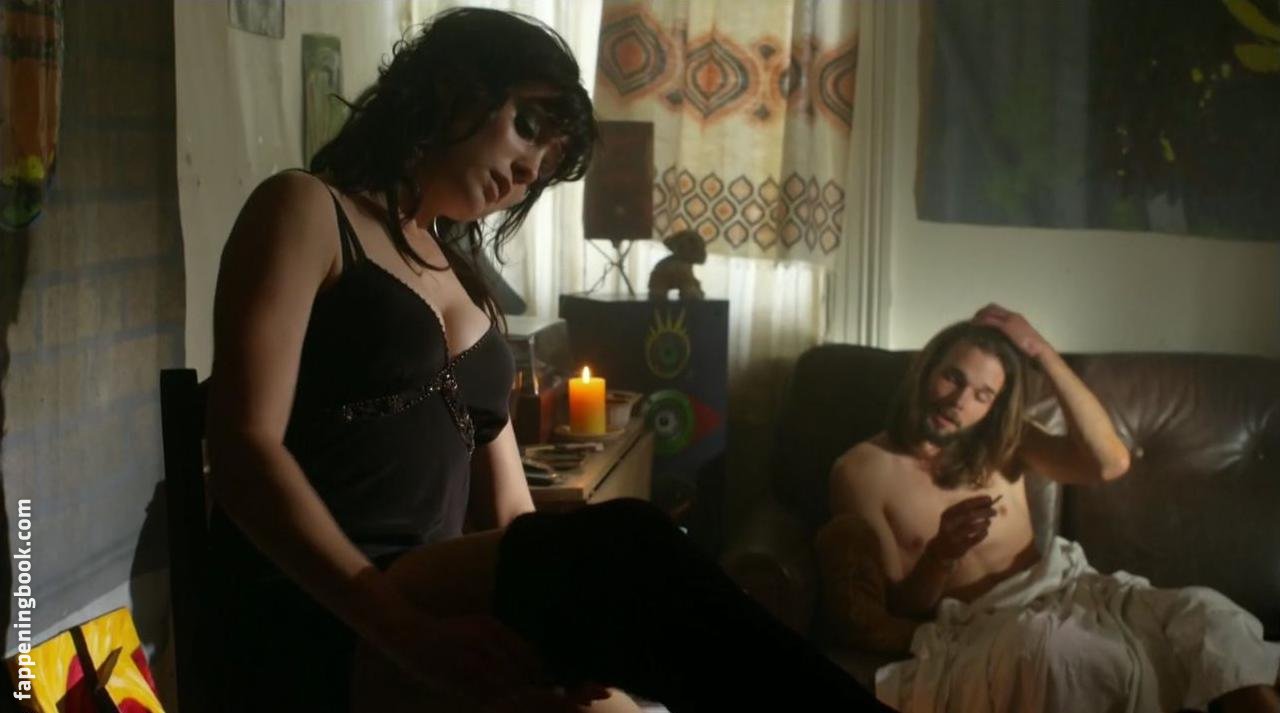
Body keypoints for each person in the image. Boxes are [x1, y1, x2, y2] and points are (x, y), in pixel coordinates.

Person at [205, 8, 888, 712]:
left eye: (545, 170)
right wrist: (404, 631)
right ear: (451, 84)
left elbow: (513, 516)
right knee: (627, 539)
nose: (529, 171)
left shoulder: (466, 281)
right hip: (332, 605)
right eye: (528, 125)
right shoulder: (308, 209)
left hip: (434, 603)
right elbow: (240, 450)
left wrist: (563, 633)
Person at [818, 303, 1280, 712]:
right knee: (1057, 652)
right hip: (979, 622)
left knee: (1210, 614)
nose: (959, 402)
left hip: (1065, 588)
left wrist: (1041, 351)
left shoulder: (1006, 442)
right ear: (925, 368)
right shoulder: (861, 471)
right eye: (953, 378)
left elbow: (1111, 463)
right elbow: (901, 606)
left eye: (983, 395)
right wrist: (941, 554)